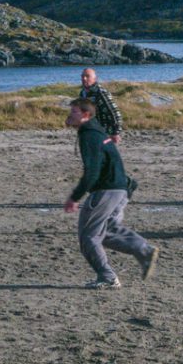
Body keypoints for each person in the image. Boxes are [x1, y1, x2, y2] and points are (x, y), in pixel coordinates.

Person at [64, 98, 158, 289]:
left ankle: (107, 277)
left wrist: (74, 197)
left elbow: (92, 171)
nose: (69, 114)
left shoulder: (89, 135)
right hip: (121, 189)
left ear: (85, 115)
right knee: (106, 232)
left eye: (74, 111)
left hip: (107, 191)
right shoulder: (95, 130)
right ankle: (144, 250)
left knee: (88, 237)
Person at [79, 68, 124, 144]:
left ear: (95, 78)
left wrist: (115, 132)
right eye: (82, 76)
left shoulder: (100, 93)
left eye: (87, 76)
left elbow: (114, 113)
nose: (84, 78)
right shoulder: (83, 93)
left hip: (103, 133)